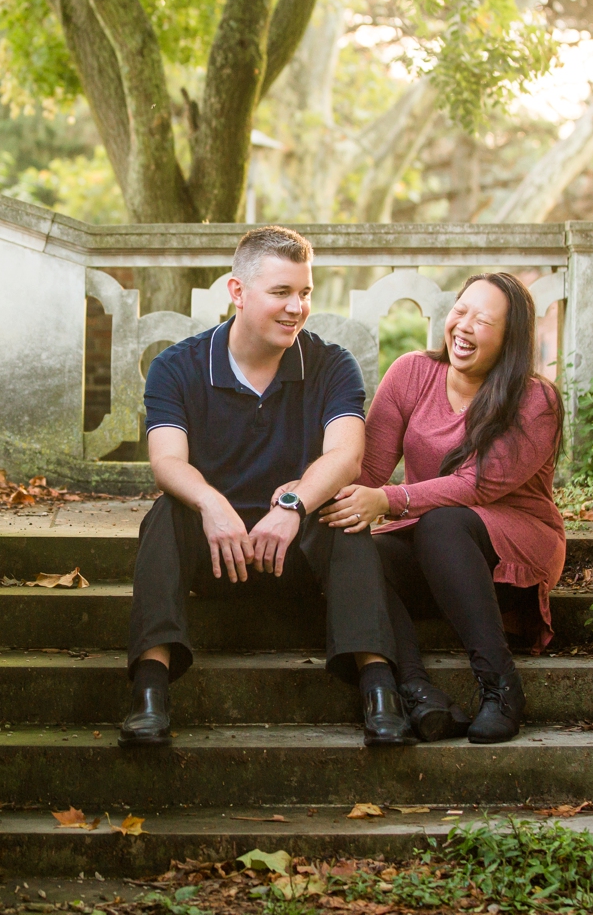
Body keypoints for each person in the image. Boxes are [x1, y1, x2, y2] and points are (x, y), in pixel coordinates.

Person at [120, 226, 410, 748]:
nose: (296, 307)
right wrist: (210, 503)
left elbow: (347, 455)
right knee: (165, 514)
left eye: (304, 293)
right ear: (238, 292)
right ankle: (150, 689)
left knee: (344, 515)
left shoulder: (331, 364)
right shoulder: (176, 366)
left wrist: (296, 505)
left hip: (296, 557)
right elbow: (166, 462)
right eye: (281, 292)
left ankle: (379, 688)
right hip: (217, 555)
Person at [318, 272, 564, 745]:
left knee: (442, 525)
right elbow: (367, 471)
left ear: (509, 337)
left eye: (483, 320)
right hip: (431, 546)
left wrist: (390, 501)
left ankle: (501, 688)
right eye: (460, 310)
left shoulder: (536, 400)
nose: (464, 325)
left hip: (512, 550)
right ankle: (417, 690)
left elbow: (476, 485)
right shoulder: (411, 372)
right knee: (351, 550)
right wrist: (310, 488)